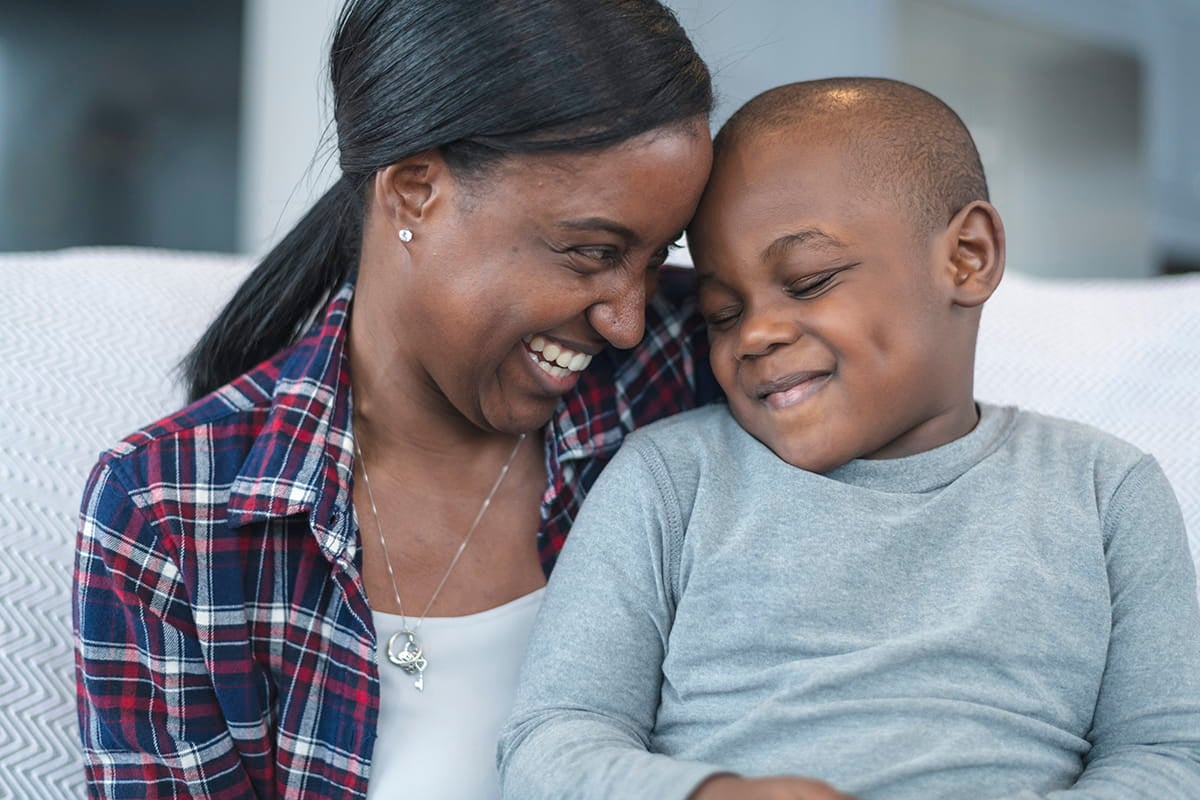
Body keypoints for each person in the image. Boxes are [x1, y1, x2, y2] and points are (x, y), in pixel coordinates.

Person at [72, 1, 718, 797]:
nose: (627, 320)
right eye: (592, 252)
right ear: (415, 190)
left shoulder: (695, 368)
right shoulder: (171, 513)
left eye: (656, 259)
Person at [498, 78, 1200, 800]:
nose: (757, 334)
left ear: (968, 256)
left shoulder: (1105, 491)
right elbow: (551, 739)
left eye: (808, 281)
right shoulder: (670, 480)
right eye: (721, 312)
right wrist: (713, 794)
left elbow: (1170, 755)